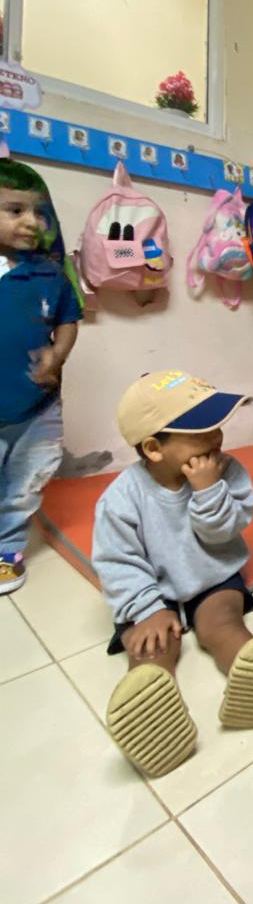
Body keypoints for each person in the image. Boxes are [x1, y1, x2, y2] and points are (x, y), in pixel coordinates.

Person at [93, 371, 253, 778]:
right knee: (151, 643)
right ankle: (151, 707)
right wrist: (147, 608)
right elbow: (117, 561)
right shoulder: (121, 499)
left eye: (216, 425)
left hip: (211, 575)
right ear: (153, 448)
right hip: (151, 589)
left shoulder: (227, 471)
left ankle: (247, 668)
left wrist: (207, 490)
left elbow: (225, 530)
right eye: (200, 432)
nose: (216, 437)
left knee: (223, 621)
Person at [0, 160, 81, 594]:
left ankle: (7, 548)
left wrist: (58, 355)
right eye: (15, 210)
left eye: (39, 212)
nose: (32, 222)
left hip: (38, 407)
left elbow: (68, 321)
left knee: (26, 482)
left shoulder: (50, 275)